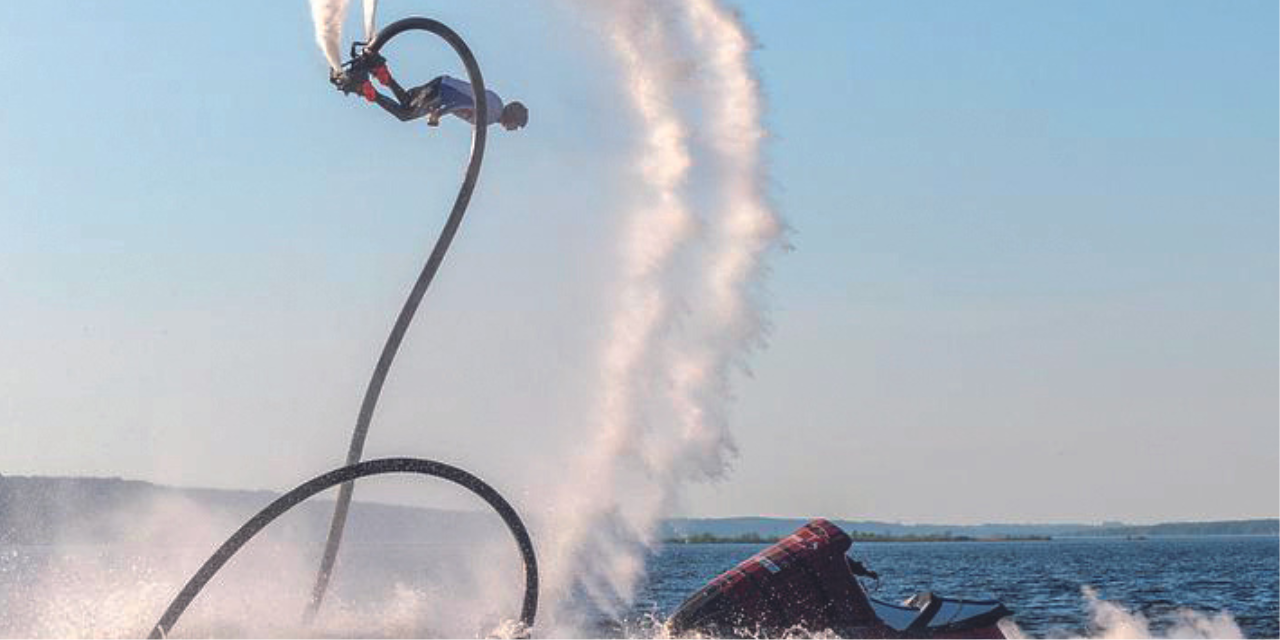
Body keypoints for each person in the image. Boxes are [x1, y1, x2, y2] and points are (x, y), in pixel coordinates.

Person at [331, 50, 528, 131]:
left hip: (442, 85)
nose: (513, 129)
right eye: (517, 125)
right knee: (405, 114)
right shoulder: (491, 115)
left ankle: (381, 73)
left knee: (408, 100)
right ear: (512, 117)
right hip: (442, 94)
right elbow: (465, 103)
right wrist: (438, 113)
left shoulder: (496, 104)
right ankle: (366, 89)